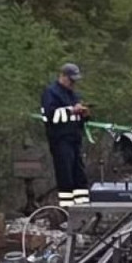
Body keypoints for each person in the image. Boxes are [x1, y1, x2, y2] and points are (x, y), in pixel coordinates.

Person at [40, 63, 90, 207]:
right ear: (62, 76)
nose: (73, 83)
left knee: (79, 173)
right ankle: (67, 207)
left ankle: (82, 204)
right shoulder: (51, 93)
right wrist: (71, 110)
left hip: (75, 139)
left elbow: (79, 118)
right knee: (65, 173)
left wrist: (85, 114)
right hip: (60, 139)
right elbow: (51, 116)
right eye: (71, 80)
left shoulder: (74, 94)